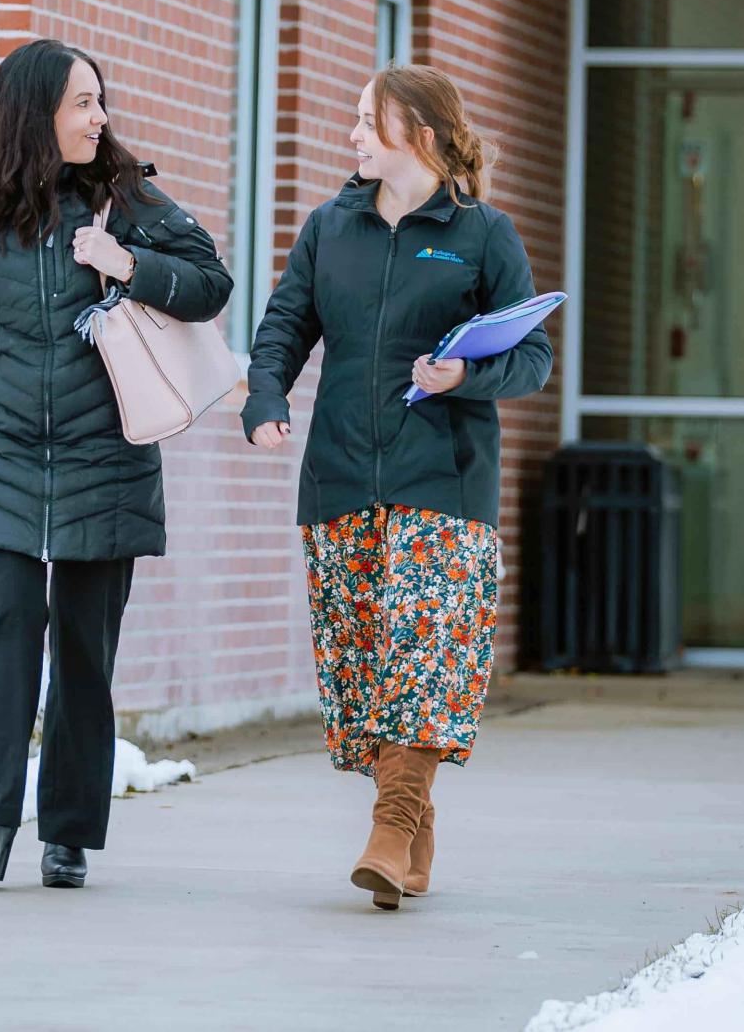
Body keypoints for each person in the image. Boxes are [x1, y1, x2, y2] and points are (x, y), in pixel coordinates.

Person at [0, 38, 232, 890]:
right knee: (7, 634)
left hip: (108, 454)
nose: (100, 118)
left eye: (101, 101)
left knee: (85, 654)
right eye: (82, 104)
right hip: (1, 452)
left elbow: (212, 282)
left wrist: (127, 264)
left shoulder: (124, 195)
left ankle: (68, 832)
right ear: (36, 114)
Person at [242, 65, 554, 911]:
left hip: (443, 481)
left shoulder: (482, 234)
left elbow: (532, 356)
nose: (351, 134)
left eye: (366, 120)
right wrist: (265, 398)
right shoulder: (328, 228)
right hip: (340, 475)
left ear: (418, 133)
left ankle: (389, 826)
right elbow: (281, 332)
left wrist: (465, 376)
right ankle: (413, 831)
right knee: (360, 670)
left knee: (421, 655)